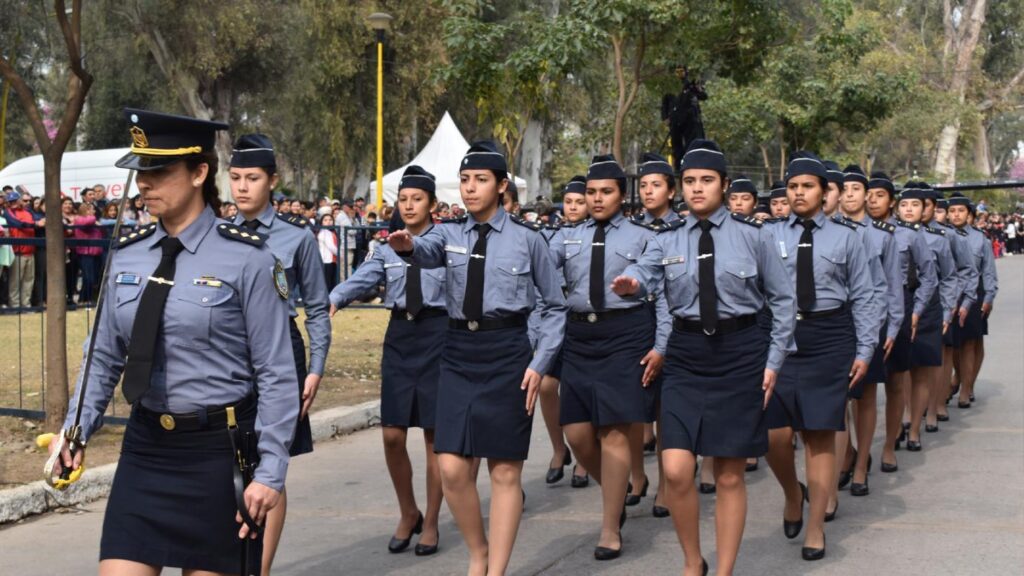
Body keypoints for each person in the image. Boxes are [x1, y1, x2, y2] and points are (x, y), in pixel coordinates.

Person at [48, 108, 298, 575]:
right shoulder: (128, 253)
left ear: (200, 172)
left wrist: (270, 472)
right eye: (141, 171)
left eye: (160, 171)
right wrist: (75, 430)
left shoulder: (248, 259)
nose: (145, 183)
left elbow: (277, 372)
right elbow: (103, 356)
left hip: (217, 456)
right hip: (145, 451)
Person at [612, 139, 795, 576]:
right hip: (687, 356)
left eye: (706, 181)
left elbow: (783, 302)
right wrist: (632, 284)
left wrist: (773, 361)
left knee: (730, 473)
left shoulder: (755, 236)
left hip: (741, 354)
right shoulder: (667, 237)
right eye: (690, 181)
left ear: (725, 185)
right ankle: (693, 560)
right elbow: (644, 270)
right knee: (676, 470)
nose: (697, 189)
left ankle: (725, 569)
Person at [387, 141, 566, 576]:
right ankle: (478, 549)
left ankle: (495, 568)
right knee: (451, 468)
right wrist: (407, 247)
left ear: (502, 186)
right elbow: (426, 253)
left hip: (508, 354)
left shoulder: (528, 239)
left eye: (480, 180)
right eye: (465, 180)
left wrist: (539, 362)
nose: (470, 188)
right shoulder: (447, 234)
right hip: (458, 354)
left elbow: (555, 306)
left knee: (505, 471)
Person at [547, 155, 666, 560]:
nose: (597, 199)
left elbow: (658, 285)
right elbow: (542, 273)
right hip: (580, 335)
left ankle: (609, 525)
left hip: (625, 334)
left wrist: (659, 340)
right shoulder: (566, 236)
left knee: (615, 431)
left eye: (606, 192)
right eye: (591, 193)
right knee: (578, 434)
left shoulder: (643, 236)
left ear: (621, 195)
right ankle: (616, 494)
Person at [763, 152, 876, 562]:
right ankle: (793, 492)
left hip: (829, 337)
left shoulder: (847, 237)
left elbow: (864, 296)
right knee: (774, 436)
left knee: (819, 433)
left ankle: (815, 527)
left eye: (806, 186)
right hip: (780, 337)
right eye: (792, 187)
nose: (798, 193)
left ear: (825, 191)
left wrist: (864, 349)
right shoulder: (768, 235)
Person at [227, 133, 332, 574]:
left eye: (252, 177)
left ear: (272, 180)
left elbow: (317, 308)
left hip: (282, 351)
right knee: (228, 457)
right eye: (234, 178)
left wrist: (316, 368)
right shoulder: (217, 233)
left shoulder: (296, 239)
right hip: (229, 350)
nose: (242, 187)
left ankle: (261, 568)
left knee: (270, 461)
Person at [330, 166, 446, 557]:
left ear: (431, 203)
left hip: (437, 335)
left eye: (417, 199)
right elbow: (364, 279)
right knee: (392, 434)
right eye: (404, 199)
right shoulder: (385, 247)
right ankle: (408, 511)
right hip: (400, 337)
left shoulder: (446, 242)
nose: (409, 205)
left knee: (434, 437)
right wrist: (335, 298)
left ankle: (430, 521)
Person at [836, 164, 901, 499]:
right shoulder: (828, 230)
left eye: (856, 189)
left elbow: (890, 287)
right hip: (834, 325)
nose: (849, 195)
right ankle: (846, 454)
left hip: (870, 324)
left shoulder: (882, 235)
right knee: (841, 398)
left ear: (865, 194)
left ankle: (861, 463)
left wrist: (888, 327)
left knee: (864, 398)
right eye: (843, 189)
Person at [866, 172, 937, 473]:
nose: (871, 199)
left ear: (891, 202)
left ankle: (890, 444)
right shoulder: (852, 231)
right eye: (868, 194)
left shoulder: (908, 234)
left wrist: (917, 310)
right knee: (862, 388)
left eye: (879, 195)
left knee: (896, 380)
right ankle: (855, 453)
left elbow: (929, 276)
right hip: (863, 310)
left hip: (900, 307)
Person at [631, 152, 679, 516]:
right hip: (634, 320)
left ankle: (665, 482)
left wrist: (663, 342)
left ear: (671, 190)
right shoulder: (632, 228)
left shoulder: (684, 229)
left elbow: (667, 291)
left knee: (666, 409)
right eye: (643, 185)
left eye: (656, 185)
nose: (648, 192)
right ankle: (636, 476)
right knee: (632, 406)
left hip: (673, 321)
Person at [535, 176, 590, 490]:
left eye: (578, 202)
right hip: (558, 319)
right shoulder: (550, 235)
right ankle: (559, 448)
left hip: (585, 317)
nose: (572, 207)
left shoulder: (596, 235)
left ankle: (583, 458)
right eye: (568, 202)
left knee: (579, 389)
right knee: (546, 385)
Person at [946, 193, 997, 408]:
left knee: (971, 343)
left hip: (974, 294)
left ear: (970, 215)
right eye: (952, 211)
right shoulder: (943, 235)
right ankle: (958, 377)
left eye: (961, 211)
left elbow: (988, 272)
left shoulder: (980, 239)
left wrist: (989, 296)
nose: (956, 214)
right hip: (951, 294)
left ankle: (967, 387)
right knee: (953, 346)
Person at [3, 190, 45, 309]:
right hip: (18, 251)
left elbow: (38, 218)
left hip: (30, 250)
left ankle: (26, 305)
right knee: (15, 281)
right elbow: (17, 224)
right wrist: (35, 224)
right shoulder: (8, 212)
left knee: (29, 280)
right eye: (11, 202)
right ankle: (15, 305)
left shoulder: (28, 212)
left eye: (16, 201)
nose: (14, 204)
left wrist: (38, 222)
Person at [662, 66, 707, 172]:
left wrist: (694, 87)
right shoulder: (670, 86)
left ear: (686, 72)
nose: (679, 74)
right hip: (675, 120)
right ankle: (678, 169)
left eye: (681, 71)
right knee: (676, 146)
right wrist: (665, 117)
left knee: (692, 144)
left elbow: (703, 96)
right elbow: (665, 102)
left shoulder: (691, 84)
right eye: (677, 71)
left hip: (690, 120)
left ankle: (691, 165)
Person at [71, 203, 104, 304]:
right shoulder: (79, 219)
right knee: (88, 277)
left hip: (95, 252)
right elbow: (87, 222)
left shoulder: (93, 220)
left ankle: (86, 299)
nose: (94, 212)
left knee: (92, 278)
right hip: (85, 253)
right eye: (92, 210)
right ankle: (85, 299)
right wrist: (92, 217)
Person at [317, 213, 339, 291]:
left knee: (331, 281)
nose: (328, 222)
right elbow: (331, 247)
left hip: (331, 260)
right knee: (328, 282)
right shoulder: (324, 232)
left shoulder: (331, 232)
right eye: (325, 220)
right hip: (326, 261)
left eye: (330, 220)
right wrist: (339, 253)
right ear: (321, 222)